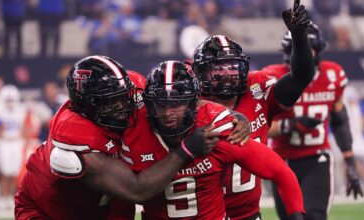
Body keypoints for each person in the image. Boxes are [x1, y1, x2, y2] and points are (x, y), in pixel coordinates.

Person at [14, 55, 217, 219]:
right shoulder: (76, 138)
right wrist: (186, 149)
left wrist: (226, 114)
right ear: (88, 107)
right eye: (111, 103)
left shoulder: (134, 87)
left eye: (123, 97)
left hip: (107, 203)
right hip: (50, 208)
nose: (122, 107)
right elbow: (136, 190)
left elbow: (174, 97)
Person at [109, 60, 305, 220]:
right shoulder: (134, 132)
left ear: (195, 103)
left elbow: (280, 171)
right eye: (161, 103)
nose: (168, 112)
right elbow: (125, 198)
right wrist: (187, 150)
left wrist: (296, 215)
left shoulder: (215, 127)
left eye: (177, 103)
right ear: (149, 105)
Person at [191, 2, 314, 219]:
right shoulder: (191, 103)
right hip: (205, 213)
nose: (228, 73)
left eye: (233, 66)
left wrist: (299, 37)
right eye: (219, 68)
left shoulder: (258, 89)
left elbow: (300, 77)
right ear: (201, 73)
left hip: (247, 212)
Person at [264, 23, 364, 220]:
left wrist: (350, 162)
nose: (302, 56)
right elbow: (258, 126)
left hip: (316, 158)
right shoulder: (272, 76)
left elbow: (339, 119)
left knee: (314, 216)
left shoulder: (332, 74)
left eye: (306, 49)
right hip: (282, 161)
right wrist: (291, 125)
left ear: (318, 50)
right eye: (296, 49)